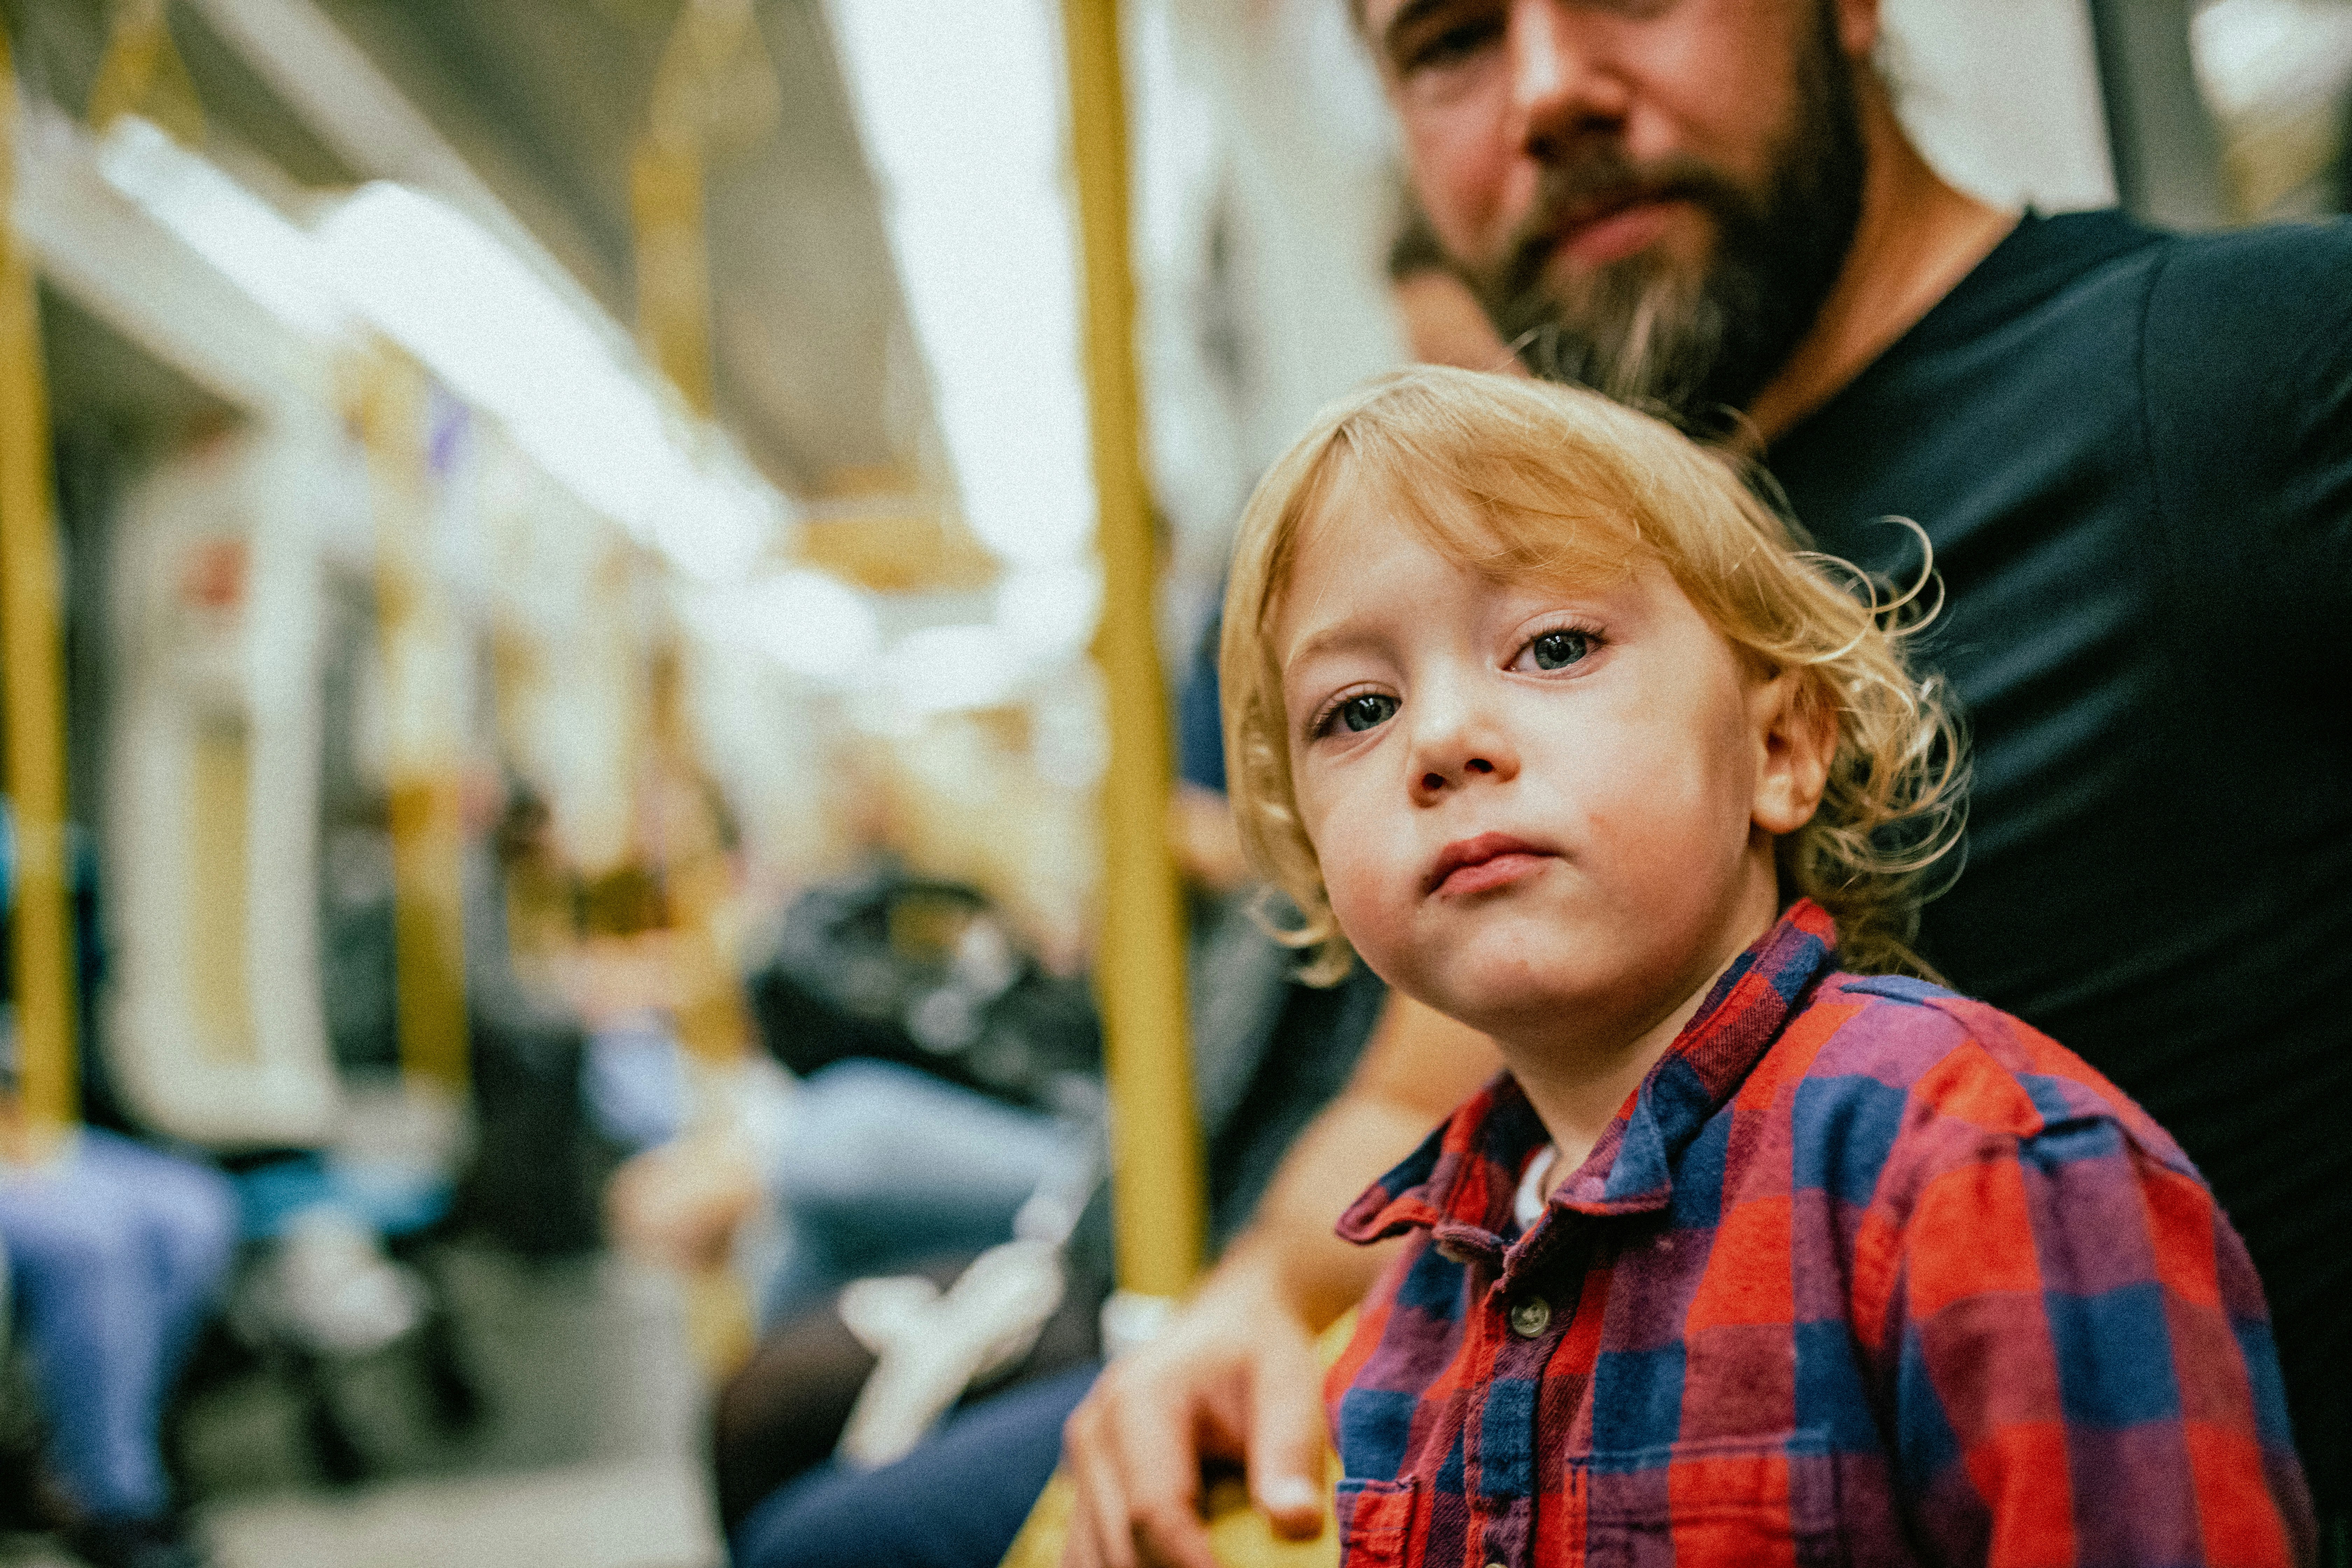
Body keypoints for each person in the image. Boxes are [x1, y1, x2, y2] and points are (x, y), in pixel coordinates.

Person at [1062, 3, 2352, 1561]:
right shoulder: (1578, 563)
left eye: (1556, 646)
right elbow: (1413, 1102)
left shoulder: (2258, 372)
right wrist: (1250, 1300)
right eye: (1453, 40)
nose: (1548, 91)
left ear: (1791, 739)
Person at [1196, 363, 2314, 1563]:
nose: (1440, 739)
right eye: (1357, 711)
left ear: (1780, 748)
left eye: (1555, 645)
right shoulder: (1416, 1290)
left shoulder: (1987, 1175)